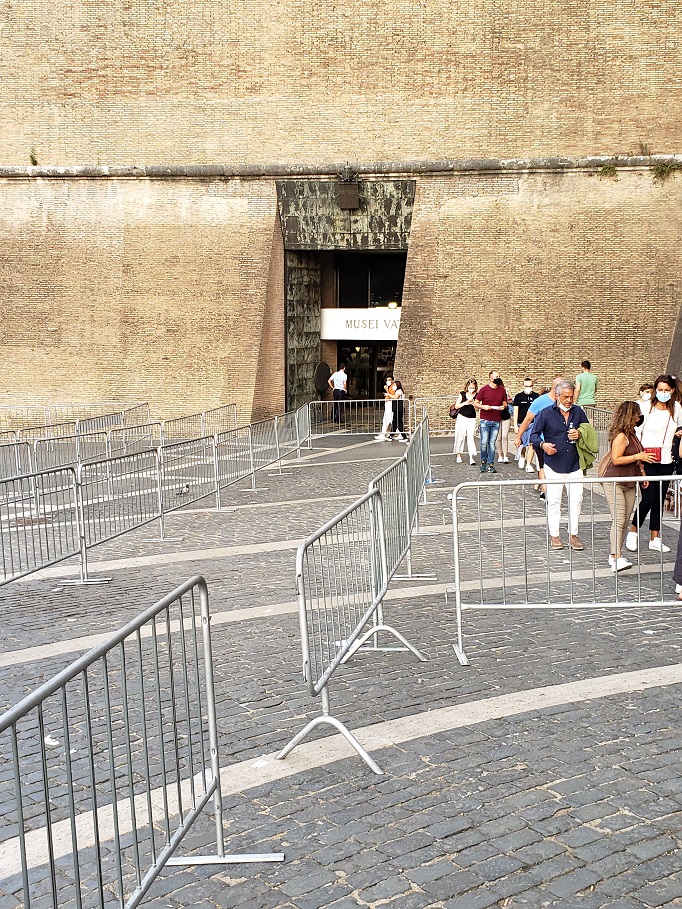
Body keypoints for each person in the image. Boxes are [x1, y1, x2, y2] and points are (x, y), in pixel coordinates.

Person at [530, 380, 590, 550]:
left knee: (576, 500)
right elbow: (534, 434)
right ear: (557, 396)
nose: (569, 400)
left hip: (574, 464)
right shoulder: (546, 413)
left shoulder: (578, 412)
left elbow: (588, 431)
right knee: (554, 500)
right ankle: (554, 535)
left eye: (571, 397)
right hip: (553, 464)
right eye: (565, 397)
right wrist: (543, 445)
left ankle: (573, 534)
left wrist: (580, 433)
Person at [626, 374, 682, 554]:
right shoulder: (645, 407)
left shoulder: (676, 408)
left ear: (672, 390)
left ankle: (655, 537)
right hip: (646, 458)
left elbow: (680, 426)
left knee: (659, 498)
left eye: (667, 390)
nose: (663, 393)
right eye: (660, 390)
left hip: (666, 459)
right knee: (648, 498)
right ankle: (633, 531)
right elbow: (634, 431)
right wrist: (639, 456)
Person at [599, 402, 653, 572]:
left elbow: (637, 459)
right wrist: (639, 455)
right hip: (614, 481)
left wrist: (642, 473)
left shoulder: (633, 434)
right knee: (619, 519)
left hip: (630, 481)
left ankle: (615, 554)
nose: (639, 417)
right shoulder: (621, 436)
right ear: (630, 415)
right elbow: (616, 459)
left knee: (624, 521)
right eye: (636, 414)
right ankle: (616, 556)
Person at [514, 375, 564, 499]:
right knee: (543, 466)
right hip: (541, 440)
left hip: (559, 441)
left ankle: (547, 488)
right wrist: (518, 436)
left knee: (555, 468)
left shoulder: (565, 401)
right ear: (555, 388)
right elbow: (527, 420)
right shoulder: (540, 402)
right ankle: (547, 493)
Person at [474, 370, 507, 473]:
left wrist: (503, 406)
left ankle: (491, 464)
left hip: (496, 420)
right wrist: (483, 406)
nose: (498, 378)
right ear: (491, 378)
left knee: (492, 443)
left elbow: (505, 402)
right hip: (485, 419)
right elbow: (476, 403)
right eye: (496, 376)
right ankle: (483, 462)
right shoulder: (484, 389)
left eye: (499, 376)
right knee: (484, 443)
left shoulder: (502, 390)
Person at [513, 378, 539, 471]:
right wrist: (515, 425)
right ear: (523, 386)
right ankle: (522, 456)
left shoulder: (536, 396)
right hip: (522, 423)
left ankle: (528, 464)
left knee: (531, 444)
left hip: (533, 423)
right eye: (527, 386)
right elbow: (515, 412)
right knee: (523, 444)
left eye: (530, 386)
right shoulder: (518, 397)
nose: (528, 388)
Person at [452, 378, 478, 465]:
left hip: (471, 418)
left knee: (470, 437)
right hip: (462, 417)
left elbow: (478, 409)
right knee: (460, 435)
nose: (471, 389)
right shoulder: (462, 394)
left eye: (473, 387)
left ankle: (471, 457)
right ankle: (458, 455)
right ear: (467, 386)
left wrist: (474, 403)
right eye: (470, 387)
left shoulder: (477, 395)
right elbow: (456, 406)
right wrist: (466, 402)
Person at [495, 379, 514, 463]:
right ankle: (500, 455)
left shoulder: (506, 390)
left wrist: (509, 399)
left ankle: (506, 455)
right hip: (497, 415)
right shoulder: (494, 392)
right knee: (498, 437)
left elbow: (512, 400)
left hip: (506, 415)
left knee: (504, 436)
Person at [375, 374, 394, 441]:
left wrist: (387, 390)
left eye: (389, 380)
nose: (388, 381)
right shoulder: (389, 387)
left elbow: (392, 395)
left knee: (390, 419)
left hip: (390, 404)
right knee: (386, 420)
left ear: (392, 380)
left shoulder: (393, 387)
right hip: (388, 404)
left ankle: (399, 433)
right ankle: (384, 434)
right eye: (387, 380)